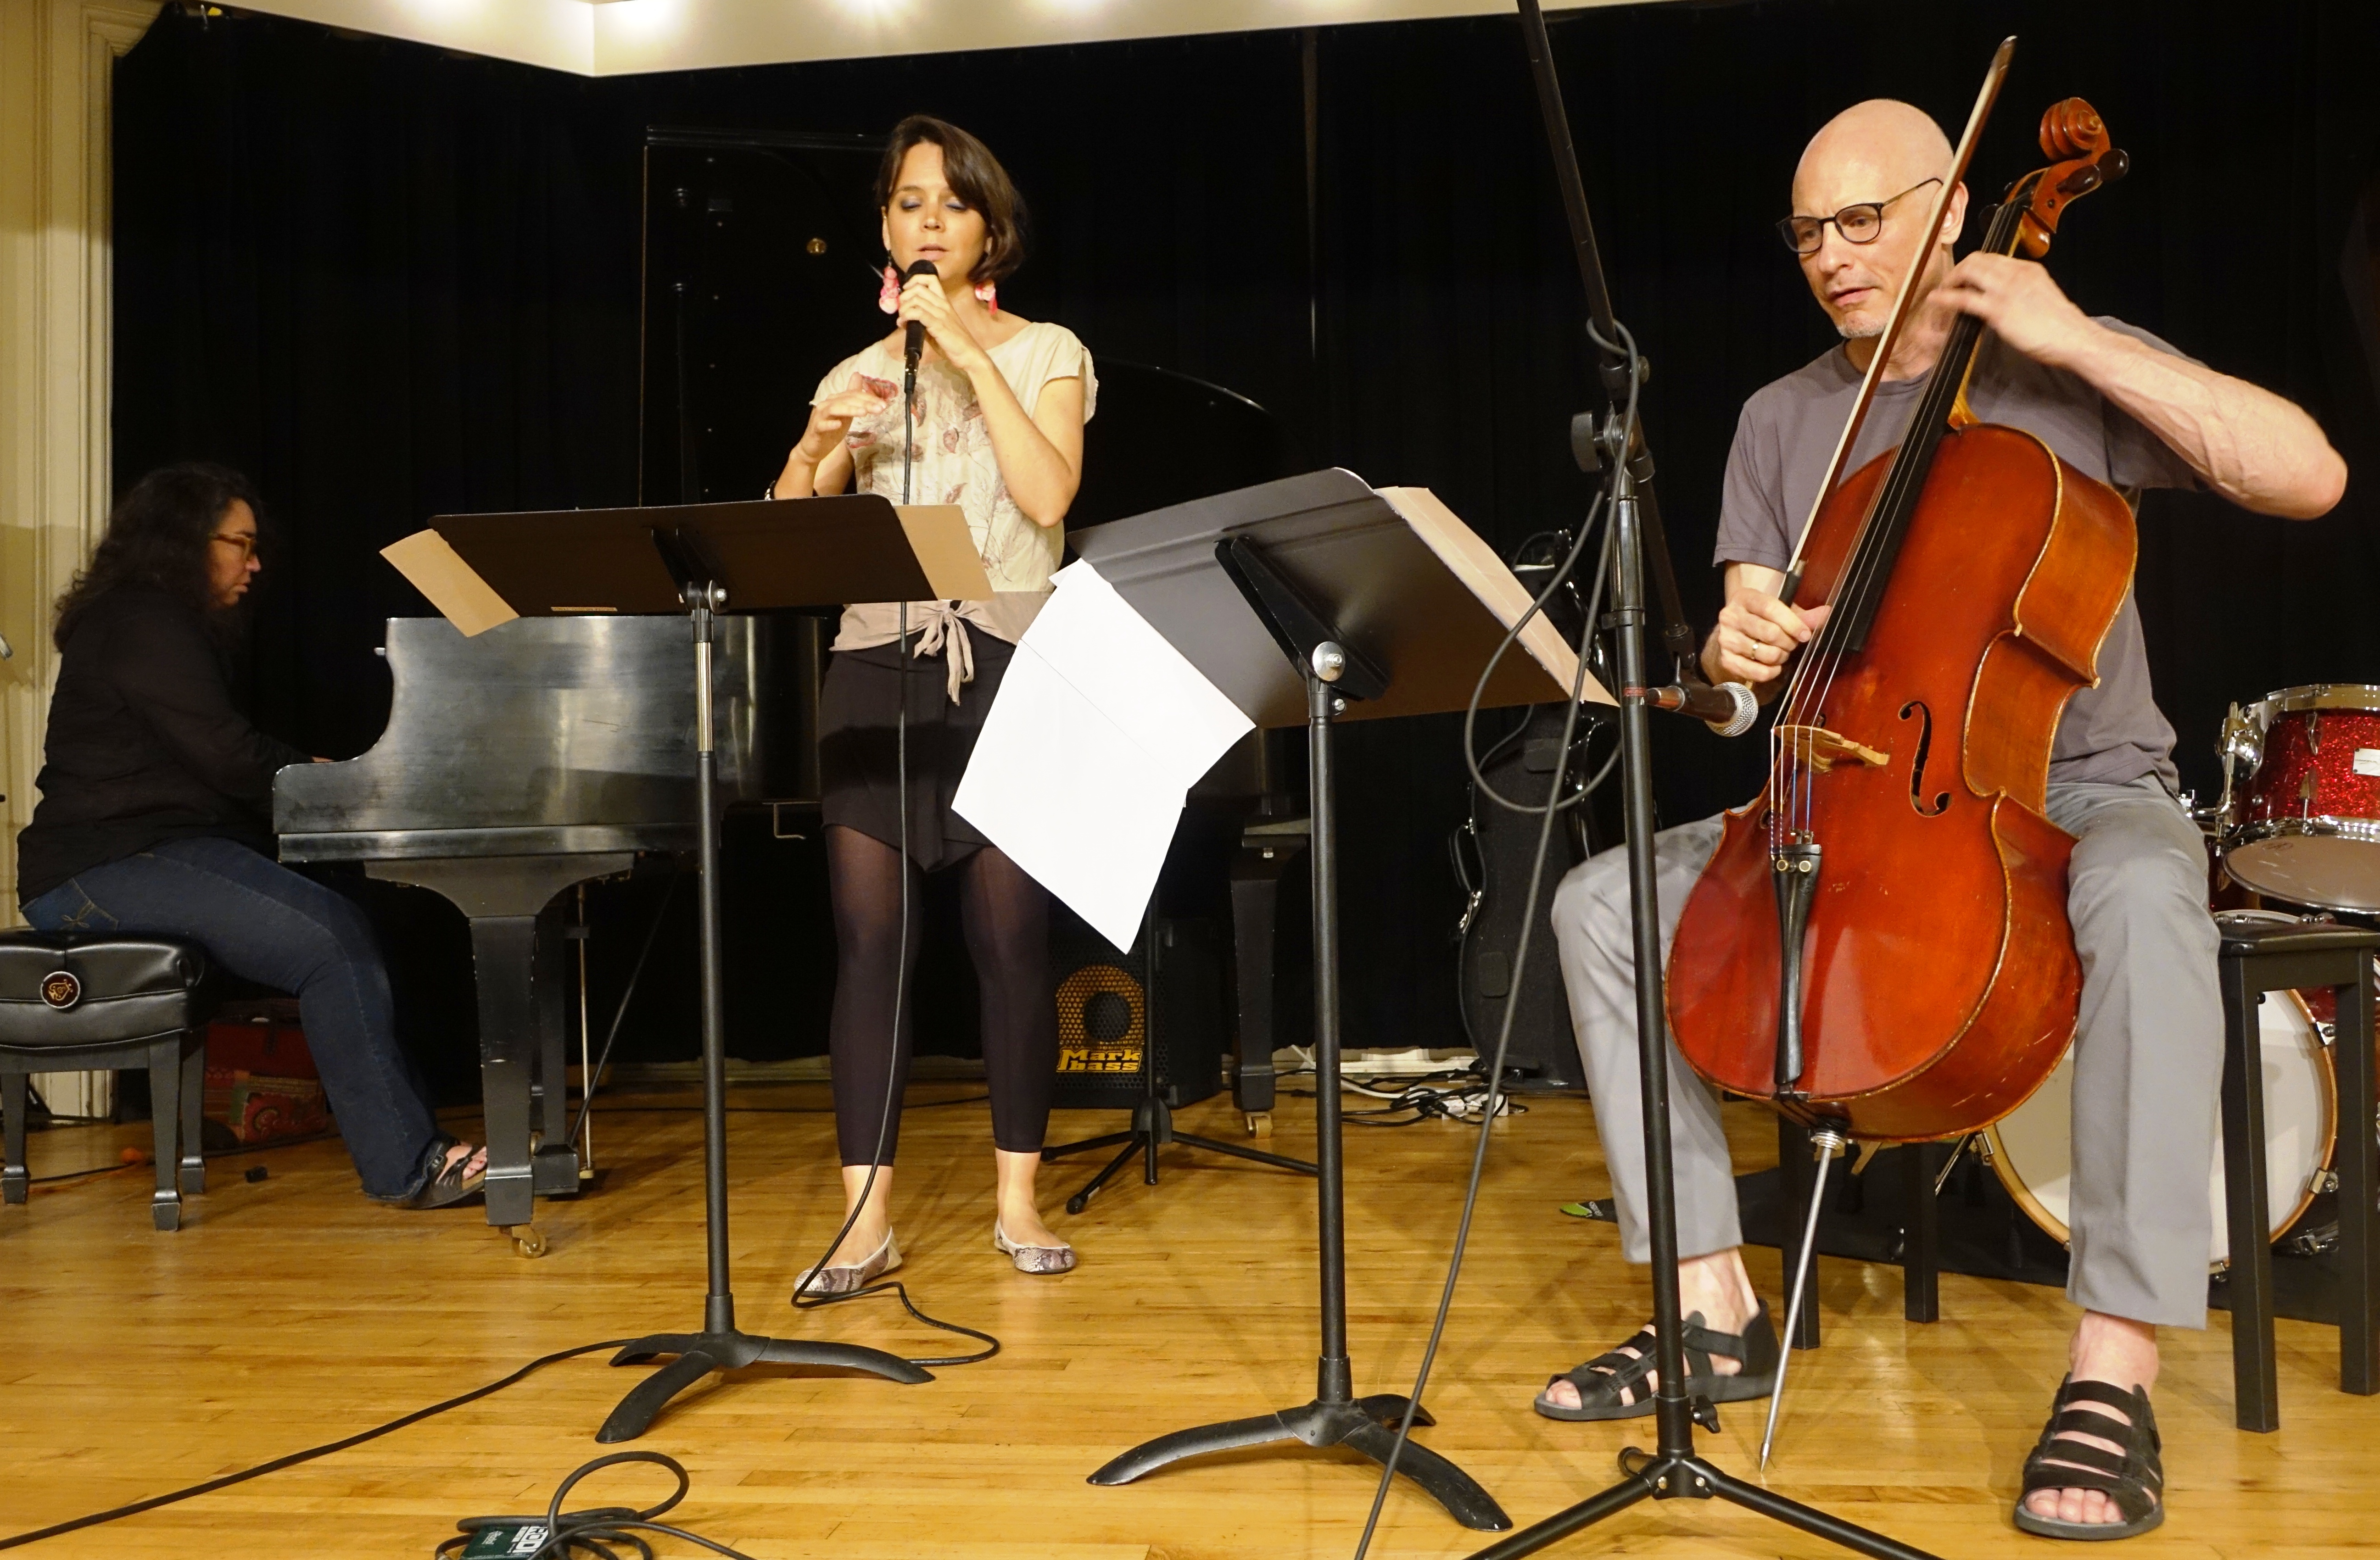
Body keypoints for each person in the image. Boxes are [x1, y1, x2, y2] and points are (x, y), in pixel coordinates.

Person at [1540, 100, 2345, 1541]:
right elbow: (1747, 691)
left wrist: (2079, 335)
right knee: (1598, 904)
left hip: (2088, 789)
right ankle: (1711, 1301)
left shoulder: (2063, 369)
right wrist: (1729, 662)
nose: (1833, 256)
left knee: (2148, 902)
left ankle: (2113, 1369)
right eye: (1808, 234)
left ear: (1958, 205)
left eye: (1864, 220)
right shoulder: (1783, 421)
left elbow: (2307, 474)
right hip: (1856, 782)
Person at [770, 115, 1092, 1290]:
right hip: (873, 662)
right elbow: (796, 546)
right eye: (909, 204)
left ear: (987, 228)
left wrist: (962, 352)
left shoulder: (1049, 350)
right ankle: (866, 1218)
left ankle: (1018, 1197)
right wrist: (814, 445)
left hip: (1004, 657)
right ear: (888, 228)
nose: (927, 222)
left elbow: (1047, 489)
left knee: (1010, 938)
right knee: (870, 945)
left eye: (950, 204)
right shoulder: (855, 372)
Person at [14, 463, 489, 1209]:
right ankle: (409, 1166)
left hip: (150, 853)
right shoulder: (141, 619)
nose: (254, 563)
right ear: (182, 542)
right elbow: (227, 755)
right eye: (239, 543)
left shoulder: (149, 620)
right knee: (329, 941)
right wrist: (317, 772)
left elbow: (211, 765)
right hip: (96, 871)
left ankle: (419, 1131)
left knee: (358, 908)